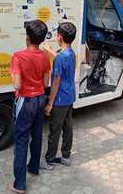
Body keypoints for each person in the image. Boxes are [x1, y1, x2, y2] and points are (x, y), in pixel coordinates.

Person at [8, 20, 51, 194]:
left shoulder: (18, 56)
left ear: (27, 38)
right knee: (37, 134)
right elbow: (46, 82)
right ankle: (33, 167)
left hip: (25, 101)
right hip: (40, 98)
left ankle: (19, 184)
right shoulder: (45, 57)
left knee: (20, 141)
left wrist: (14, 78)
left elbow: (17, 85)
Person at [40, 22, 77, 170]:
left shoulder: (60, 58)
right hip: (69, 97)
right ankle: (66, 156)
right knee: (68, 127)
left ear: (59, 37)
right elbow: (62, 59)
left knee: (55, 130)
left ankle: (49, 160)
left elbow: (55, 83)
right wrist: (51, 52)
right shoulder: (71, 53)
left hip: (60, 99)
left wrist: (49, 103)